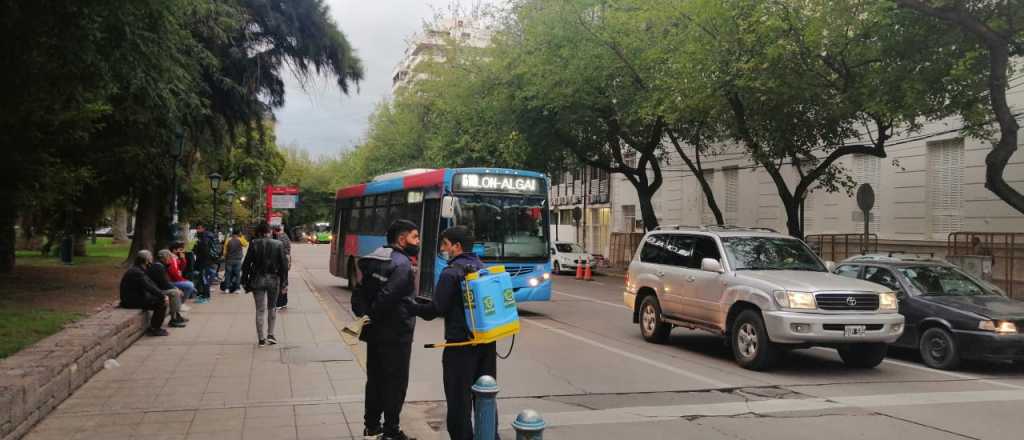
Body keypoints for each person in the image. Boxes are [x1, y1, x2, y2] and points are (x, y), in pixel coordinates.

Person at [406, 226, 497, 440]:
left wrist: (409, 306)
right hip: (486, 343)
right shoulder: (482, 267)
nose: (443, 249)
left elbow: (435, 310)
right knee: (485, 396)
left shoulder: (451, 272)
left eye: (445, 244)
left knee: (459, 400)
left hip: (459, 346)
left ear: (457, 246)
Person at [352, 220, 420, 440]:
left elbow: (358, 294)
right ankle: (391, 430)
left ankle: (371, 427)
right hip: (396, 335)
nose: (418, 242)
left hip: (374, 334)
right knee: (396, 383)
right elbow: (387, 297)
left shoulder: (372, 258)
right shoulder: (403, 265)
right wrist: (373, 314)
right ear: (402, 239)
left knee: (375, 380)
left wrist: (366, 317)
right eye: (415, 237)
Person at [241, 221, 288, 347]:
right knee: (272, 307)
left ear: (259, 232)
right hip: (273, 280)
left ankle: (261, 338)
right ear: (269, 232)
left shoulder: (254, 244)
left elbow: (246, 264)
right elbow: (284, 266)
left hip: (257, 280)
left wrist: (244, 281)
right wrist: (284, 283)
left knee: (259, 310)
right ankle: (271, 334)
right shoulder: (278, 244)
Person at [119, 250, 171, 336]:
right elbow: (148, 286)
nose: (152, 261)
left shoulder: (138, 269)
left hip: (135, 298)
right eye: (150, 259)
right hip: (131, 301)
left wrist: (162, 294)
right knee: (161, 302)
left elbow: (151, 284)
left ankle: (155, 327)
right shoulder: (137, 272)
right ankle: (155, 328)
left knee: (160, 299)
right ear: (146, 261)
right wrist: (163, 296)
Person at [149, 250, 188, 327]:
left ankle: (177, 315)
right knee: (175, 293)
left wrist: (175, 287)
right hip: (155, 291)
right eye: (169, 258)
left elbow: (166, 282)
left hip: (159, 289)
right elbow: (164, 283)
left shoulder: (161, 266)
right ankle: (173, 319)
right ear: (164, 258)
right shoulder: (158, 267)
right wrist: (176, 289)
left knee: (177, 291)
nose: (170, 260)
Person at [192, 223, 217, 303]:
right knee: (203, 277)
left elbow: (204, 250)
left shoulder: (204, 237)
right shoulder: (205, 236)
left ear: (203, 228)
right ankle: (203, 295)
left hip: (204, 261)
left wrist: (196, 247)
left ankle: (206, 296)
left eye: (199, 228)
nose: (197, 230)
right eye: (197, 228)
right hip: (206, 261)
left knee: (203, 278)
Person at [272, 225, 292, 309]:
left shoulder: (278, 238)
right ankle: (284, 302)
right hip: (286, 260)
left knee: (279, 282)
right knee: (284, 281)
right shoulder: (286, 236)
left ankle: (279, 303)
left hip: (281, 262)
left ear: (275, 231)